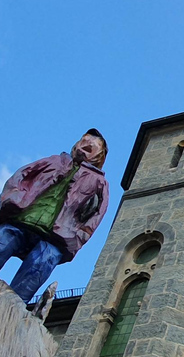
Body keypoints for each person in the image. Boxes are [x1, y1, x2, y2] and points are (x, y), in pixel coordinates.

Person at [0, 129, 109, 303]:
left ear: (100, 155)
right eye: (85, 139)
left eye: (95, 144)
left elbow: (96, 215)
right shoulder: (55, 161)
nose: (89, 142)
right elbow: (21, 175)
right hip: (22, 219)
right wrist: (11, 199)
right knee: (3, 240)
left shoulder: (99, 182)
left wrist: (76, 238)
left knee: (41, 263)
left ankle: (12, 305)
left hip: (58, 236)